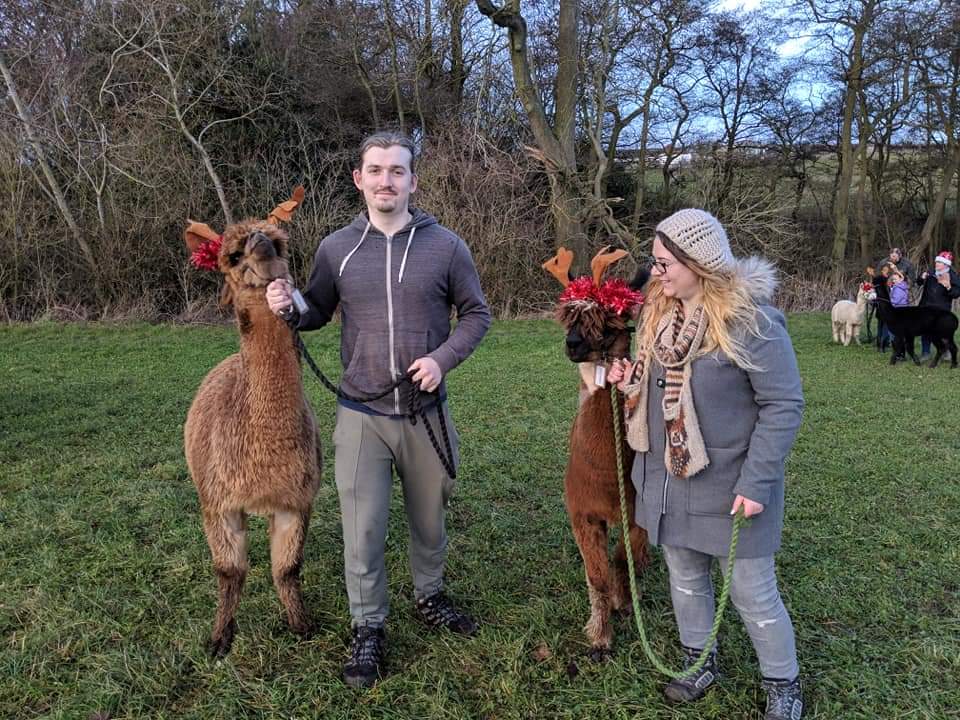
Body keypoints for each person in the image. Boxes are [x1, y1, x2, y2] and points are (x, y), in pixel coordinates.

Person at [266, 131, 491, 688]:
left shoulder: (447, 246)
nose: (386, 180)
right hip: (360, 415)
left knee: (429, 519)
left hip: (426, 411)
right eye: (376, 170)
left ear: (413, 180)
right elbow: (314, 311)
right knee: (362, 531)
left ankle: (430, 595)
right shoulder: (337, 248)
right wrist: (286, 303)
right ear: (358, 179)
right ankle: (368, 626)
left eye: (397, 171)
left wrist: (441, 359)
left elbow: (477, 315)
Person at [608, 209, 805, 720]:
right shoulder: (659, 316)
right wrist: (630, 378)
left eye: (666, 263)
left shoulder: (752, 322)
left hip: (732, 486)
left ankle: (784, 684)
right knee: (685, 575)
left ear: (700, 262)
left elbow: (783, 405)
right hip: (669, 480)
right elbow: (656, 389)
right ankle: (699, 659)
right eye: (654, 262)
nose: (657, 273)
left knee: (752, 592)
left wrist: (758, 481)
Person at [915, 250, 960, 361]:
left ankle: (946, 351)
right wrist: (922, 278)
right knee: (925, 331)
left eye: (939, 263)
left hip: (941, 310)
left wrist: (949, 287)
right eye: (936, 262)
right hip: (926, 307)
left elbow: (957, 293)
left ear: (946, 264)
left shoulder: (952, 276)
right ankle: (925, 353)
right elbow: (918, 282)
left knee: (942, 332)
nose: (936, 264)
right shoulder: (931, 272)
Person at [888, 267, 910, 360]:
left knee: (895, 334)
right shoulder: (899, 287)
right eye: (893, 278)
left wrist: (886, 302)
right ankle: (900, 353)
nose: (893, 280)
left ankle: (899, 354)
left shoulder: (899, 288)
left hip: (898, 313)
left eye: (895, 279)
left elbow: (895, 301)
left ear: (901, 278)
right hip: (900, 313)